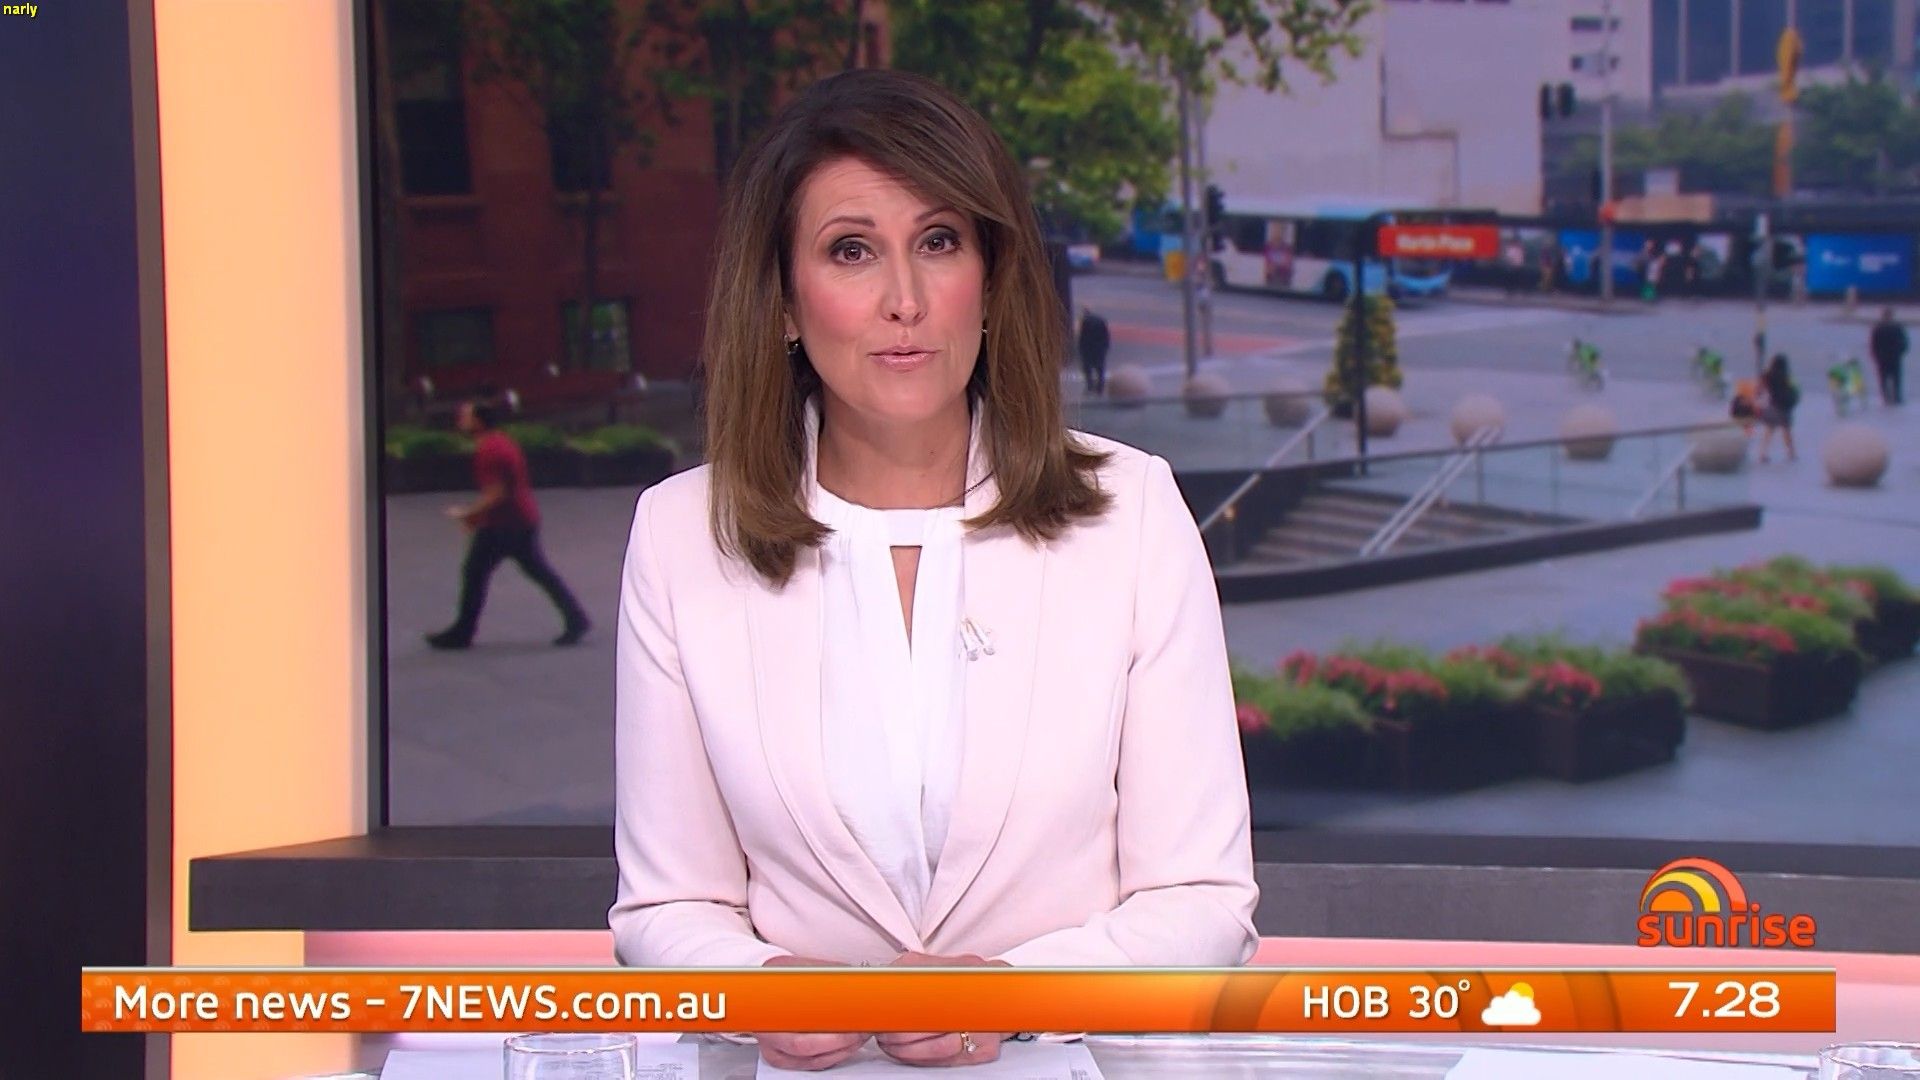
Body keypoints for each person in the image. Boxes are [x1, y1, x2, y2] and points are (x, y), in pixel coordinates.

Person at [608, 69, 1258, 1072]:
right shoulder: (680, 534)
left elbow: (1202, 903)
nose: (904, 301)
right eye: (851, 250)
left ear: (990, 283)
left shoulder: (1132, 511)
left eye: (940, 242)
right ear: (783, 302)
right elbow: (667, 908)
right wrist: (761, 986)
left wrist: (1011, 993)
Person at [425, 395, 590, 649]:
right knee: (535, 571)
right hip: (518, 519)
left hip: (505, 523)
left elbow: (497, 493)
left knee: (476, 573)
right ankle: (575, 618)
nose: (460, 420)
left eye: (465, 416)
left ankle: (462, 632)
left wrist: (468, 514)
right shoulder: (500, 443)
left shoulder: (490, 451)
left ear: (478, 421)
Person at [1757, 354, 1800, 464]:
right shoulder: (1787, 376)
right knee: (1787, 431)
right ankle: (1791, 453)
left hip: (1773, 406)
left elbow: (1759, 390)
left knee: (1769, 430)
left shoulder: (1767, 376)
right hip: (1785, 408)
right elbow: (1795, 389)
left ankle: (1763, 454)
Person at [1871, 307, 1907, 406]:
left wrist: (1876, 355)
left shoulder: (1878, 328)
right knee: (1896, 378)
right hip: (1895, 357)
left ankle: (1886, 397)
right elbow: (1904, 342)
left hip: (1882, 357)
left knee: (1883, 378)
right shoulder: (1897, 328)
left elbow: (1874, 344)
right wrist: (1901, 352)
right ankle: (1897, 397)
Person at [1075, 305, 1110, 396]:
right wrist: (1105, 347)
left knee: (1087, 368)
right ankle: (1100, 387)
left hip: (1088, 348)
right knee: (1100, 368)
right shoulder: (1101, 320)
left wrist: (1080, 349)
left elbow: (1082, 338)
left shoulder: (1085, 322)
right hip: (1100, 348)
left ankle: (1090, 386)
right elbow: (1106, 336)